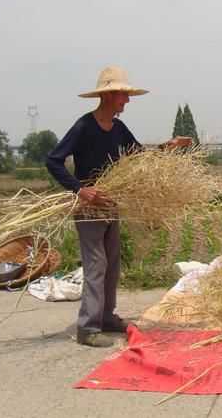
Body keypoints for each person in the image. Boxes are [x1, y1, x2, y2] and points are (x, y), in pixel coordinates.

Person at [46, 66, 148, 347]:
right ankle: (88, 328)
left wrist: (168, 148)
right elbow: (53, 160)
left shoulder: (119, 129)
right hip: (89, 208)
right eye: (123, 95)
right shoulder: (84, 126)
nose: (126, 101)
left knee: (112, 263)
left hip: (110, 204)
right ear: (109, 95)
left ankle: (106, 316)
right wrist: (79, 190)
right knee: (96, 264)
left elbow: (139, 154)